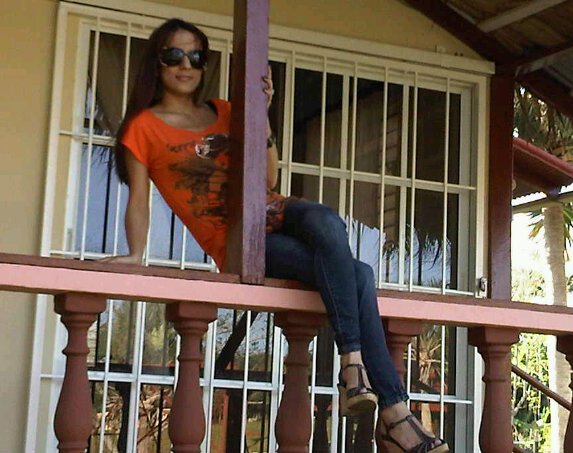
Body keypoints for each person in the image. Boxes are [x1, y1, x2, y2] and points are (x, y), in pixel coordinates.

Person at [106, 18, 449, 453]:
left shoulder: (225, 111)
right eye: (175, 55)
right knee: (359, 274)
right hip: (239, 240)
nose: (186, 65)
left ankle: (353, 365)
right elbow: (138, 198)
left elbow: (268, 179)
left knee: (327, 221)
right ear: (157, 62)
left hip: (273, 209)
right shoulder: (143, 127)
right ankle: (395, 413)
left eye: (196, 56)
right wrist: (135, 253)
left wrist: (261, 115)